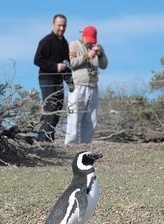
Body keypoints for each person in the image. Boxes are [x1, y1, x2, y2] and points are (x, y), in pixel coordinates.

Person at [64, 25, 108, 145]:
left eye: (92, 40)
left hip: (93, 87)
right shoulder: (73, 45)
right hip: (78, 86)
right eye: (89, 40)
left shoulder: (98, 47)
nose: (90, 43)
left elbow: (104, 65)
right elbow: (70, 63)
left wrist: (100, 55)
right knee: (74, 117)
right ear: (83, 36)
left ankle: (85, 145)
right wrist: (86, 57)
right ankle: (70, 145)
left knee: (91, 120)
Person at [34, 14, 73, 142]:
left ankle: (47, 138)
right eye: (59, 25)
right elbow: (37, 60)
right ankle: (43, 139)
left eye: (64, 26)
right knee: (50, 108)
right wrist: (55, 67)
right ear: (53, 25)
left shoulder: (64, 43)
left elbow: (66, 64)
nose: (61, 28)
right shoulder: (46, 41)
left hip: (58, 81)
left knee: (58, 109)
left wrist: (70, 82)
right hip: (47, 79)